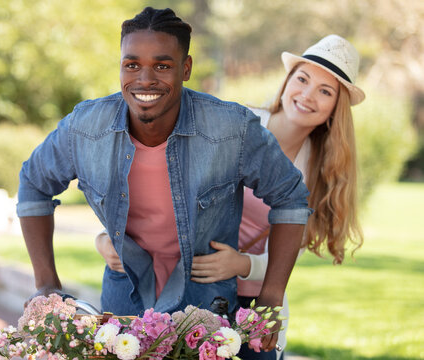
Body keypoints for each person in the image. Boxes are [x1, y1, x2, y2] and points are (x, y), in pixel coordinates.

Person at [17, 7, 311, 352]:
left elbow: (290, 197)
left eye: (162, 65)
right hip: (122, 304)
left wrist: (271, 296)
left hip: (206, 309)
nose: (144, 79)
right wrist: (47, 284)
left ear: (185, 69)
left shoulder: (231, 129)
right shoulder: (84, 127)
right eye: (132, 65)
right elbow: (33, 183)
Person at [96, 34, 366, 359]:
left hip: (253, 303)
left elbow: (290, 250)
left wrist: (242, 264)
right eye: (302, 79)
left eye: (325, 91)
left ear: (336, 107)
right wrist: (105, 236)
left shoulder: (323, 172)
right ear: (287, 81)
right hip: (190, 288)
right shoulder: (236, 125)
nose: (307, 95)